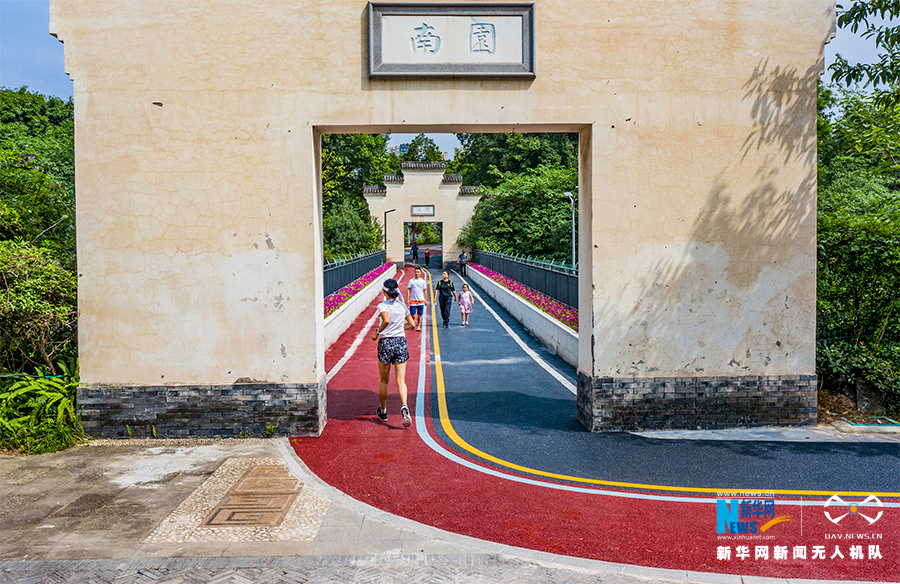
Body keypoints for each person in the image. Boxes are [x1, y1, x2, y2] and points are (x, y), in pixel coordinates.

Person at [371, 278, 416, 427]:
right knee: (401, 381)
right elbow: (413, 324)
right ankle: (404, 407)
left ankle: (383, 411)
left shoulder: (382, 306)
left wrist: (377, 332)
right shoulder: (402, 306)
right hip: (400, 342)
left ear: (384, 291)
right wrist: (400, 329)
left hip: (386, 343)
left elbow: (386, 320)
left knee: (384, 380)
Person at [406, 267, 428, 331]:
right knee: (412, 314)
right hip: (413, 300)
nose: (416, 273)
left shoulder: (423, 281)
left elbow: (425, 291)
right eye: (415, 272)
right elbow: (408, 290)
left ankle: (418, 326)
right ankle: (412, 324)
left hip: (420, 300)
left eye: (418, 272)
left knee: (420, 315)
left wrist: (425, 300)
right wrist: (408, 299)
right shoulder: (411, 281)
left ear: (420, 273)